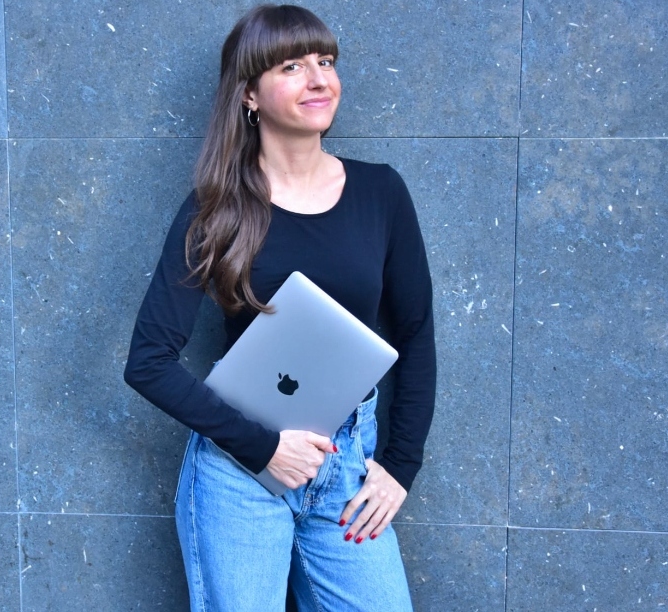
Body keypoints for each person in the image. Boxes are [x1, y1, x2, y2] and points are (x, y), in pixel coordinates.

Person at [123, 4, 435, 610]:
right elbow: (148, 362)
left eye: (326, 61)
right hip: (239, 470)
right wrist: (263, 447)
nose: (320, 79)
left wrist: (399, 465)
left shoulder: (381, 192)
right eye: (293, 66)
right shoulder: (215, 209)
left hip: (348, 468)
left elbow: (416, 334)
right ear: (249, 94)